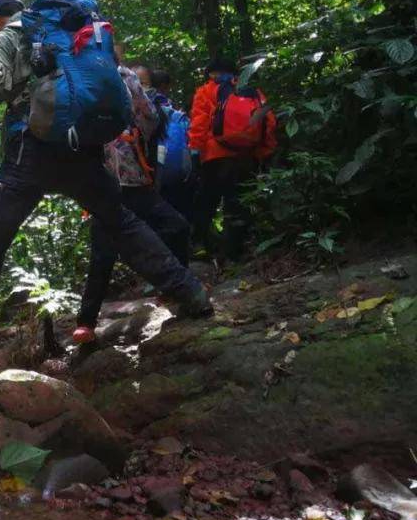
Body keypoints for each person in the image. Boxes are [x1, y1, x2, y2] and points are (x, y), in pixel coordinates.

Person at [0, 0, 212, 383]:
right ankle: (191, 294)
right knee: (120, 221)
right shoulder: (74, 36)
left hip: (30, 154)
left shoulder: (10, 37)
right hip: (83, 151)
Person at [74, 61, 191, 343]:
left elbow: (150, 118)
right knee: (103, 256)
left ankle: (175, 290)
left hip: (136, 186)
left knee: (176, 227)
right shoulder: (90, 104)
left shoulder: (128, 110)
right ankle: (86, 322)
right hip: (108, 190)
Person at [188, 57, 277, 263]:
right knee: (237, 202)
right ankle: (235, 251)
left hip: (215, 156)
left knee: (207, 201)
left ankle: (200, 244)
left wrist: (195, 152)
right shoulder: (252, 91)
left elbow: (199, 123)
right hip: (246, 155)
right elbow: (268, 121)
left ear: (211, 74)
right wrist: (263, 151)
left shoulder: (207, 90)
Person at [145, 68, 196, 224]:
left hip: (151, 174)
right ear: (166, 86)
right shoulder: (174, 112)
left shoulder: (140, 108)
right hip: (177, 174)